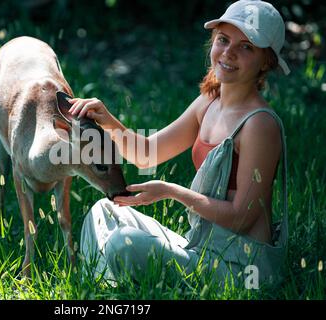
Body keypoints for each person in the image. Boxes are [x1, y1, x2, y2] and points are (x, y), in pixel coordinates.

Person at [69, 0, 289, 288]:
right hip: (199, 248)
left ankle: (112, 282)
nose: (229, 52)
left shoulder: (259, 124)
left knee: (124, 243)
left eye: (246, 47)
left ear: (266, 62)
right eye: (223, 40)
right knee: (104, 211)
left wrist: (171, 192)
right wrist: (108, 121)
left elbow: (240, 220)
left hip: (241, 268)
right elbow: (147, 154)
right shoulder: (208, 104)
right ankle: (106, 287)